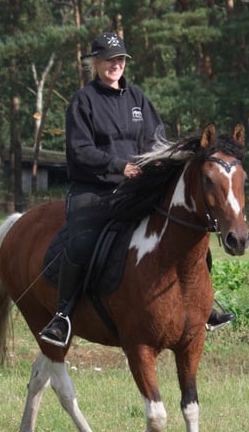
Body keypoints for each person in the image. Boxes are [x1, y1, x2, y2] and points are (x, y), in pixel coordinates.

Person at [39, 32, 234, 348]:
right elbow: (80, 151)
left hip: (136, 188)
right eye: (108, 59)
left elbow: (156, 140)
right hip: (93, 189)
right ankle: (63, 316)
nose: (115, 65)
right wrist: (120, 166)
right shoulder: (83, 101)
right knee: (81, 244)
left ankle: (206, 307)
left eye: (120, 59)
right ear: (95, 63)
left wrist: (161, 166)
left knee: (188, 232)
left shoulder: (138, 99)